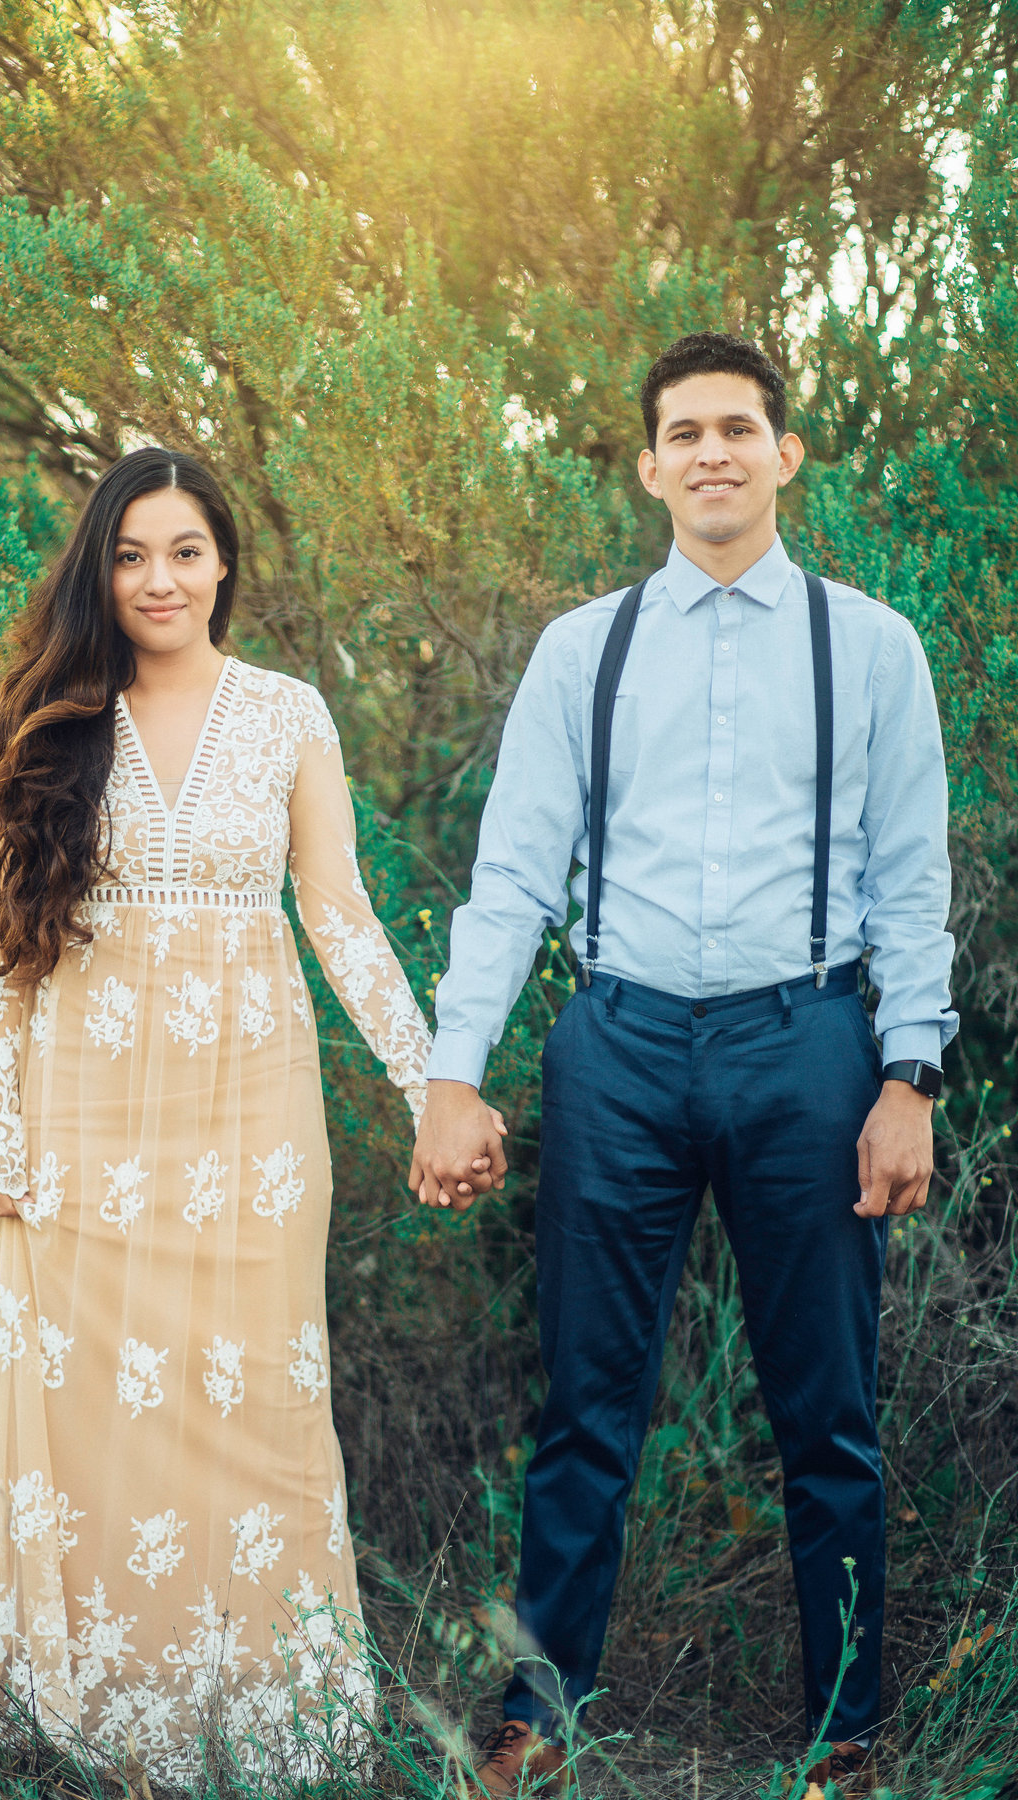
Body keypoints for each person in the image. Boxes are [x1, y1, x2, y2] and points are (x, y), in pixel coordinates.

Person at [409, 332, 957, 1796]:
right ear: (649, 467)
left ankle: (846, 1730)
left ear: (785, 455)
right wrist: (452, 1072)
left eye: (739, 427)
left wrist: (909, 1077)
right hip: (622, 1046)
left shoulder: (875, 646)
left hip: (811, 1048)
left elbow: (912, 882)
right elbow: (513, 875)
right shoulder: (584, 651)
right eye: (684, 433)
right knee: (586, 1401)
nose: (713, 452)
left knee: (826, 1412)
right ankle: (538, 1709)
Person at [0, 448, 498, 1780]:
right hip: (78, 1129)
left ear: (223, 565)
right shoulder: (53, 722)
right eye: (132, 554)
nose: (159, 579)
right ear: (101, 570)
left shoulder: (287, 713)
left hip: (251, 1125)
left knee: (258, 1408)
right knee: (96, 1418)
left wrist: (432, 1079)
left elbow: (338, 914)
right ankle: (91, 1723)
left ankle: (265, 1725)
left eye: (185, 551)